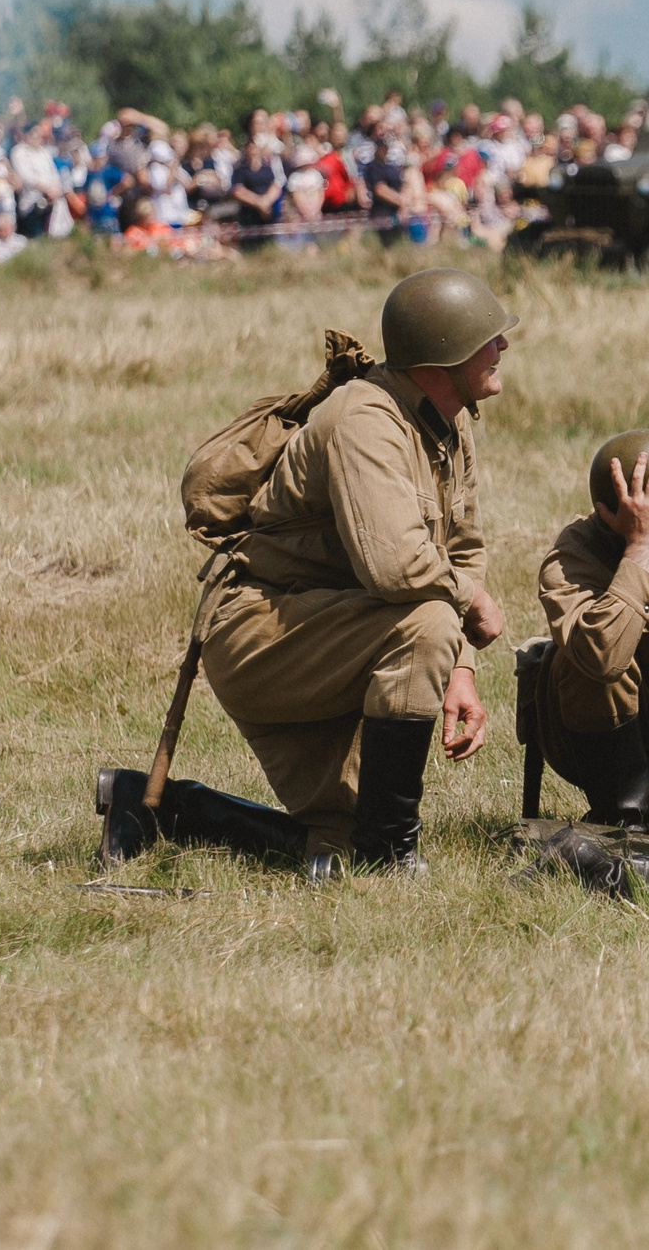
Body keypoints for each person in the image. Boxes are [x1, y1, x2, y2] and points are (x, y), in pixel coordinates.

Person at [196, 269, 514, 876]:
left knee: (331, 837)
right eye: (488, 339)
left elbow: (461, 545)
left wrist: (462, 669)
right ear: (443, 357)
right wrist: (471, 602)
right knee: (426, 621)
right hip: (263, 631)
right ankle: (391, 857)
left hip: (336, 626)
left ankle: (161, 809)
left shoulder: (451, 418)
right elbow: (400, 570)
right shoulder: (365, 422)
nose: (503, 348)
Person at [530, 431, 649, 826]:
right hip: (617, 738)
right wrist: (642, 545)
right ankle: (625, 815)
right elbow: (601, 657)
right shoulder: (575, 554)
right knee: (587, 655)